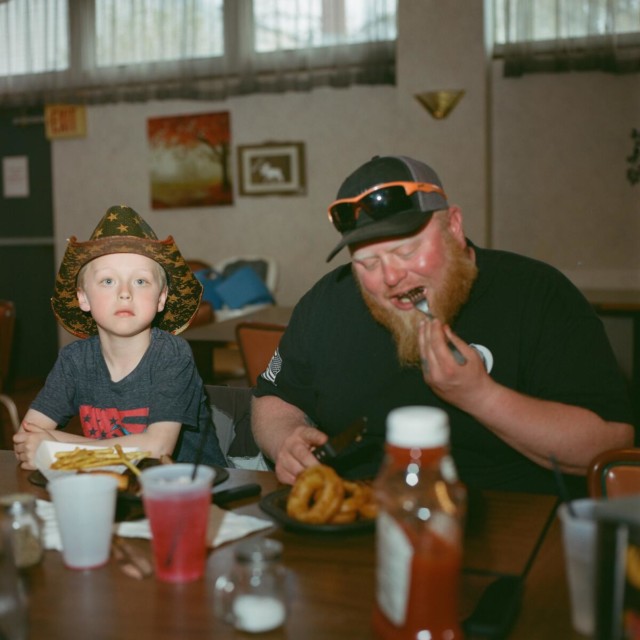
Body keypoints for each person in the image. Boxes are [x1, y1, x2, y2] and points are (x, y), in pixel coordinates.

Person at [251, 155, 635, 495]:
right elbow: (272, 398)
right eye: (368, 262)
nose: (390, 276)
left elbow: (609, 445)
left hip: (511, 522)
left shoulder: (537, 294)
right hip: (355, 516)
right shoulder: (327, 301)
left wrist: (482, 397)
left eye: (406, 251)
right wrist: (286, 439)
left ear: (453, 225)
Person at [13, 205, 226, 470]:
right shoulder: (74, 360)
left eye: (140, 281)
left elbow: (157, 449)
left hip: (192, 487)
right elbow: (26, 438)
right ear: (83, 298)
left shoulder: (171, 355)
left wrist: (58, 447)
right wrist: (50, 445)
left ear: (161, 299)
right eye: (108, 281)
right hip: (114, 484)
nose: (125, 292)